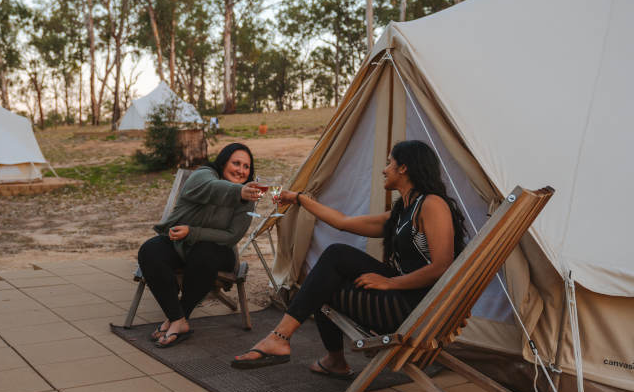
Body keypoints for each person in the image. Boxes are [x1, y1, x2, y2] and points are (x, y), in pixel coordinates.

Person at [231, 140, 466, 378]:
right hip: (403, 297)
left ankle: (287, 342)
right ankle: (318, 354)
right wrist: (298, 198)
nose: (384, 170)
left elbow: (442, 266)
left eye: (389, 163)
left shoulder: (432, 204)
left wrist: (390, 283)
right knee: (332, 262)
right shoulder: (402, 212)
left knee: (324, 280)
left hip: (416, 308)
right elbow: (342, 222)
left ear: (403, 168)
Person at [139, 142, 263, 348]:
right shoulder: (203, 175)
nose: (241, 170)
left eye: (246, 167)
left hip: (218, 251)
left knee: (204, 253)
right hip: (181, 244)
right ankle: (177, 319)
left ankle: (179, 317)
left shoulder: (247, 196)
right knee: (150, 251)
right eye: (236, 163)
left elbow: (232, 236)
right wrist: (240, 192)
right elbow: (212, 189)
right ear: (223, 162)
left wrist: (193, 232)